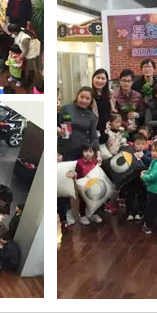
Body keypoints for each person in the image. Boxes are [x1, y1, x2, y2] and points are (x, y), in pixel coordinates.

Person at [57, 87, 100, 227]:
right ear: (77, 96)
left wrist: (98, 153)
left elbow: (93, 136)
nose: (84, 100)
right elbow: (55, 124)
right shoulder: (66, 108)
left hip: (82, 154)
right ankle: (67, 211)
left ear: (91, 101)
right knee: (64, 181)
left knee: (84, 182)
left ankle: (85, 212)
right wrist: (57, 148)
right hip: (64, 151)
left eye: (87, 98)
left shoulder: (91, 116)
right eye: (82, 97)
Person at [66, 144, 103, 225]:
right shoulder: (78, 162)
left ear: (94, 153)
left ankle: (92, 214)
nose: (88, 153)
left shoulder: (95, 161)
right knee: (83, 201)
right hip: (82, 185)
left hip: (93, 185)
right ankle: (82, 216)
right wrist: (74, 175)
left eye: (90, 151)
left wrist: (99, 164)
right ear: (82, 152)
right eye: (86, 151)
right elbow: (75, 172)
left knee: (94, 200)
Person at [112, 69, 144, 134]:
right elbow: (114, 115)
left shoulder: (137, 95)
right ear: (120, 81)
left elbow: (142, 111)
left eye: (129, 81)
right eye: (124, 80)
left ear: (132, 82)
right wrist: (126, 126)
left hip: (136, 129)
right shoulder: (115, 96)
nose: (126, 83)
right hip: (120, 130)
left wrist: (137, 114)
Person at [89, 68, 112, 137]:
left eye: (103, 78)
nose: (100, 81)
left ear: (106, 81)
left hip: (106, 129)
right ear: (93, 78)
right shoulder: (88, 94)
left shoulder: (110, 94)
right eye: (98, 78)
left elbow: (111, 112)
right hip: (92, 130)